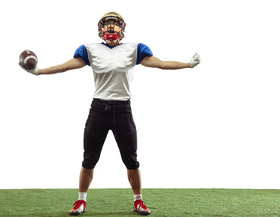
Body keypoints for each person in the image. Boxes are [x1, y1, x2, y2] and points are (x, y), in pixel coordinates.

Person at [20, 12, 200, 216]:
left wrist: (188, 64)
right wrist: (38, 71)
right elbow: (64, 67)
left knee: (131, 159)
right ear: (100, 28)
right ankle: (81, 201)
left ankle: (138, 200)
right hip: (98, 109)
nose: (111, 27)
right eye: (108, 24)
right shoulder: (90, 49)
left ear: (122, 28)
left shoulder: (135, 49)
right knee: (89, 159)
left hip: (123, 109)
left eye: (115, 24)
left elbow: (161, 64)